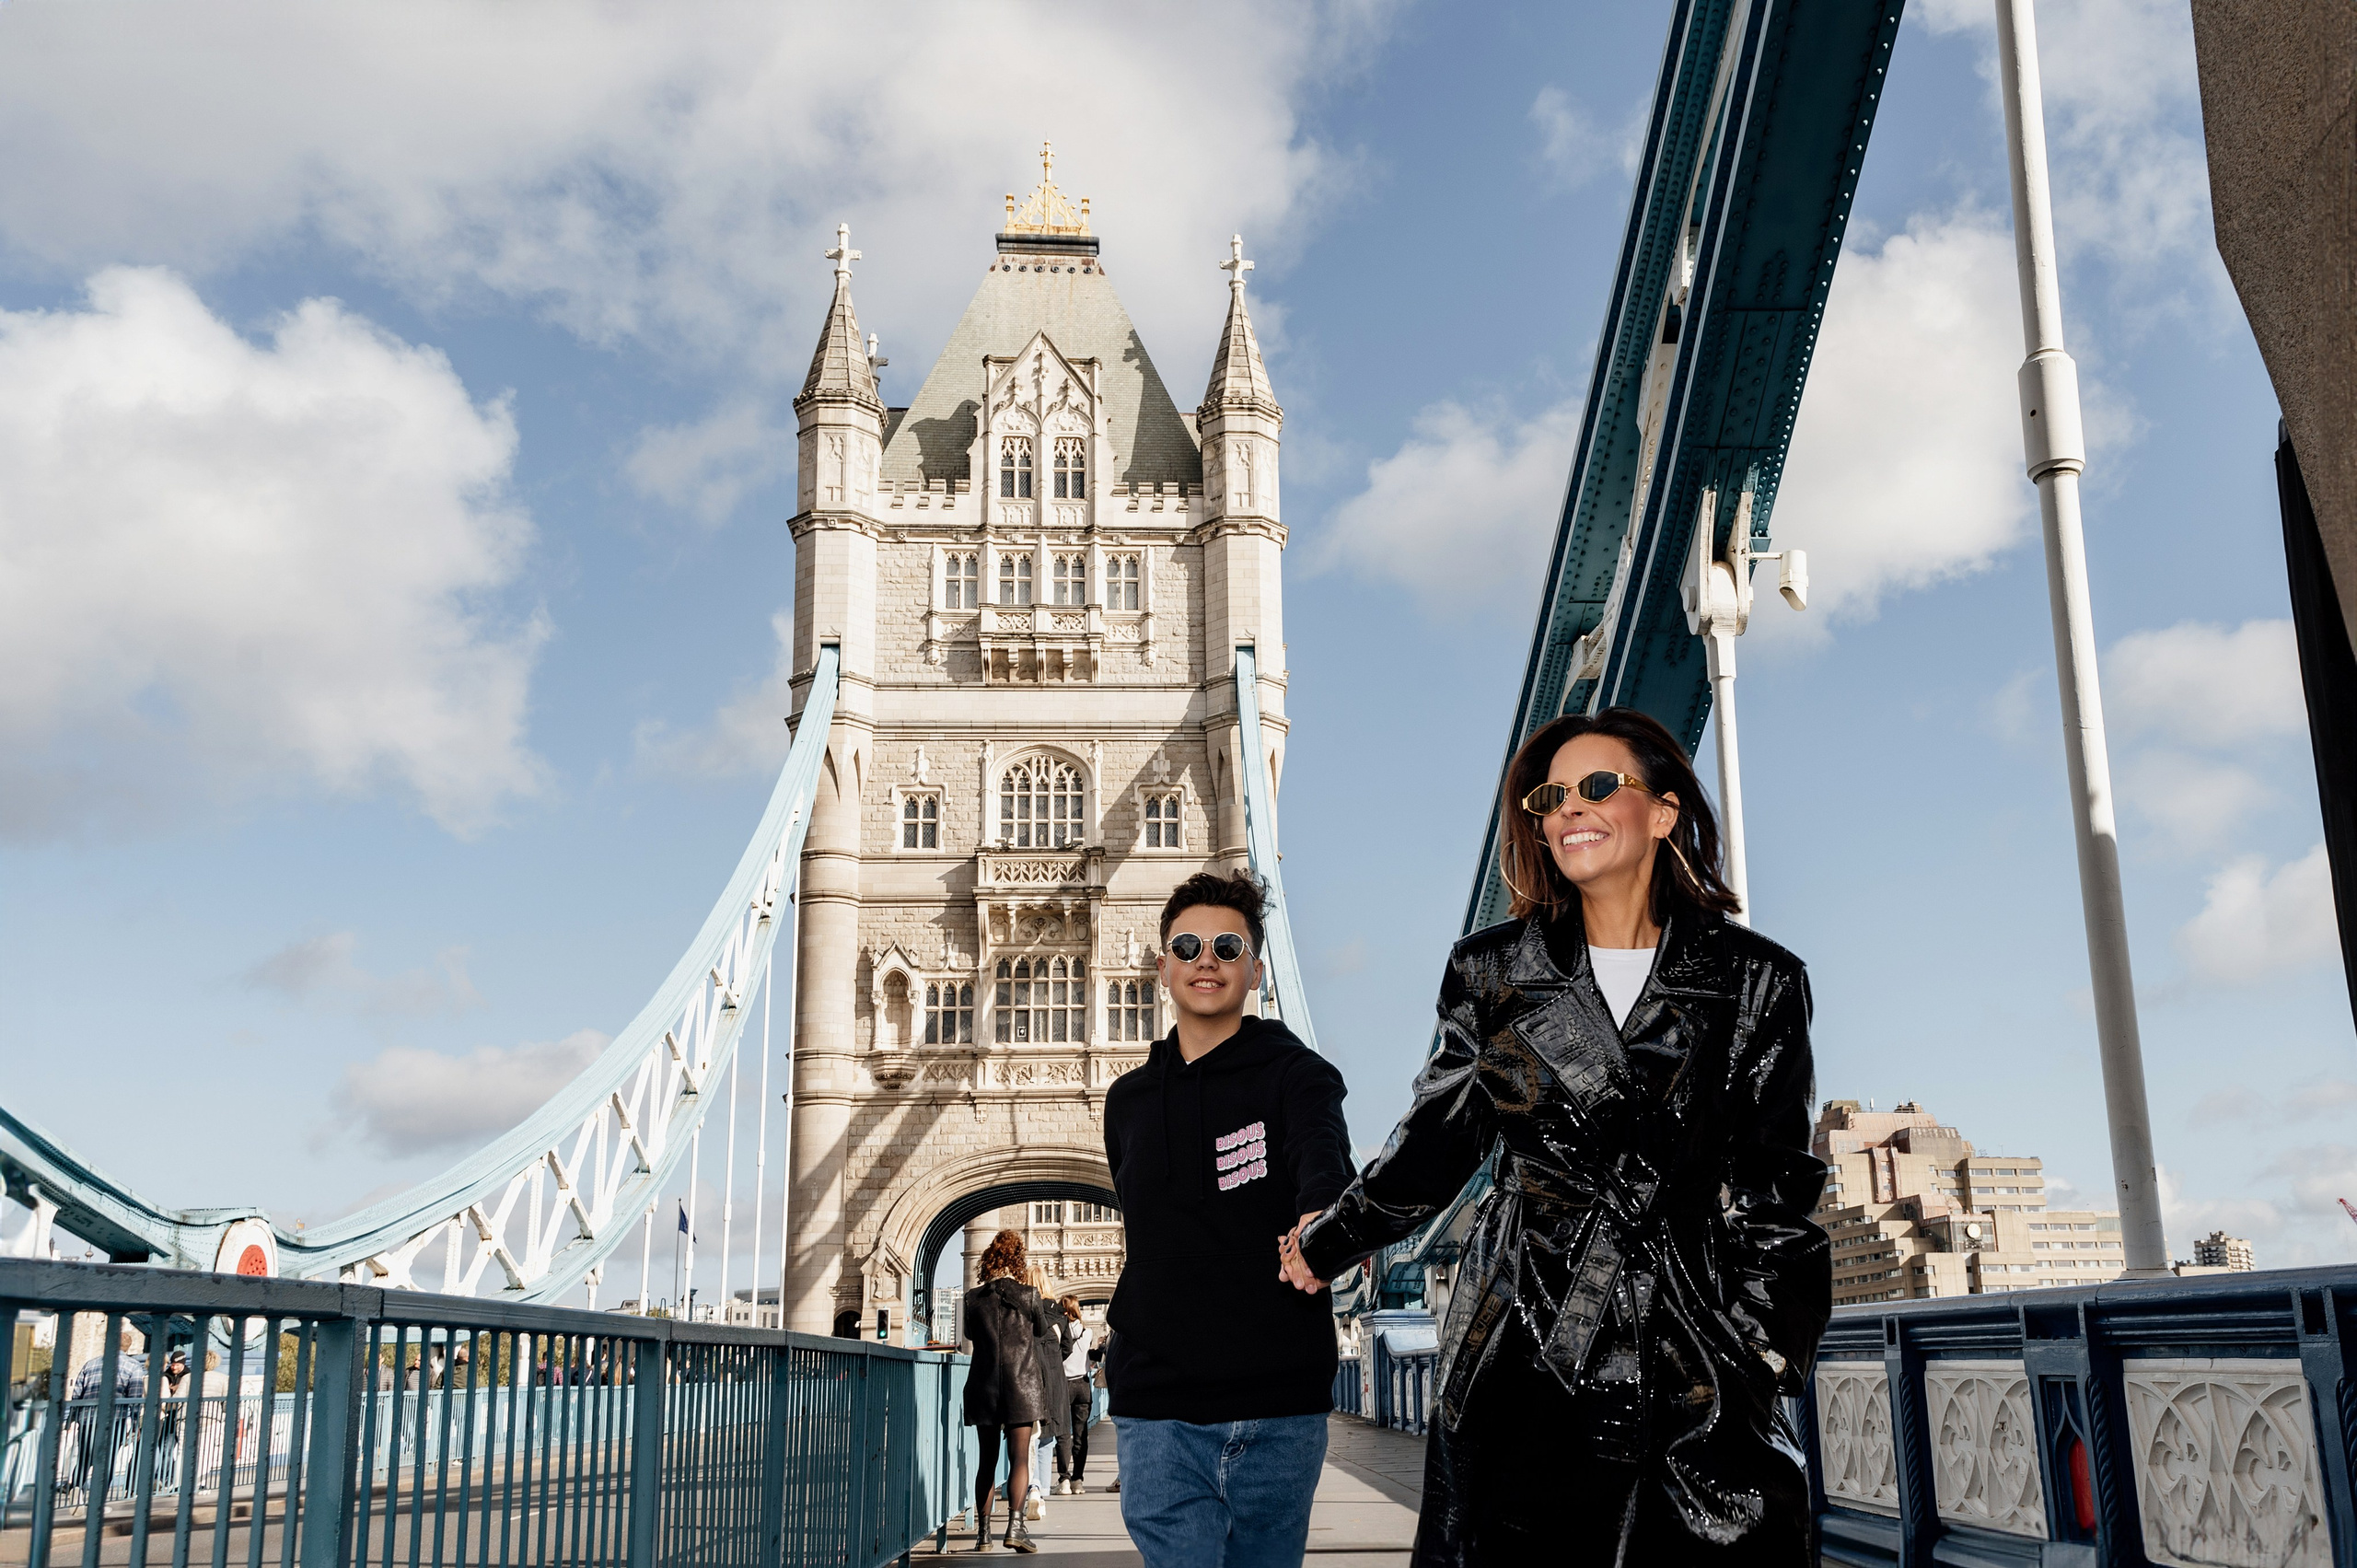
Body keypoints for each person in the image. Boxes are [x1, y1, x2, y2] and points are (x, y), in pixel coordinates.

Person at [1279, 708, 1831, 1566]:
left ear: (1664, 810)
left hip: (1694, 1354)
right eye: (1551, 795)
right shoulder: (1492, 971)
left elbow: (1777, 1194)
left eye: (1599, 785)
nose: (1570, 807)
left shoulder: (1759, 980)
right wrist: (1329, 1241)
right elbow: (1436, 1142)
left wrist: (1760, 1356)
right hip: (1523, 1340)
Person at [1102, 870, 1354, 1568]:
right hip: (1158, 1408)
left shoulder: (1300, 1075)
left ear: (1255, 971)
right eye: (1186, 945)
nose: (1204, 958)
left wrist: (1322, 1218)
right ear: (1162, 968)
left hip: (1277, 1402)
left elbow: (1322, 1156)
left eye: (1226, 945)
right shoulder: (1126, 1102)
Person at [962, 1229, 1059, 1553]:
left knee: (986, 1461)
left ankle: (983, 1534)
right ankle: (1015, 1528)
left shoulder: (973, 1299)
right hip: (1023, 1386)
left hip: (983, 1385)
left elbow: (970, 1335)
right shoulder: (1029, 1295)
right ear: (1018, 1260)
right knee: (1019, 1459)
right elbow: (1041, 1329)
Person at [1020, 1265, 1066, 1522]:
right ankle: (1042, 1493)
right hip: (1054, 1379)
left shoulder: (1023, 1310)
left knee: (1030, 1437)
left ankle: (1033, 1487)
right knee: (1048, 1437)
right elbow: (1067, 1346)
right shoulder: (1059, 1312)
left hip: (1028, 1376)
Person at [1051, 1295, 1093, 1494]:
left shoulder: (1058, 1331)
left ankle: (1064, 1480)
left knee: (1063, 1434)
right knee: (1081, 1435)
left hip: (1063, 1384)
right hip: (1083, 1386)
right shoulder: (1088, 1332)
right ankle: (1078, 1480)